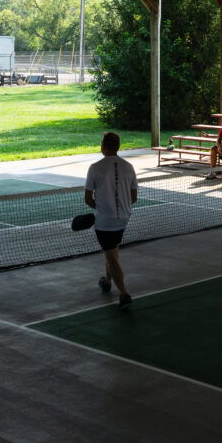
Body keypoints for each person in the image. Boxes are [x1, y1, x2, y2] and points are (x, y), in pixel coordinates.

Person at [84, 131, 138, 310]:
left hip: (105, 222)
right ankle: (107, 281)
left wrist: (101, 210)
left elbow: (88, 198)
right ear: (118, 146)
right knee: (112, 252)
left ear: (103, 146)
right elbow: (134, 197)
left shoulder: (95, 167)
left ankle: (124, 293)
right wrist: (119, 209)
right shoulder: (129, 166)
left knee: (112, 257)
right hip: (123, 219)